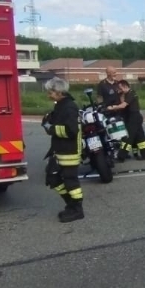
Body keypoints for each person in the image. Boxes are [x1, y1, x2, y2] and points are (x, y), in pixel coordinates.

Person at [42, 77, 85, 222]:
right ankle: (71, 204)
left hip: (69, 152)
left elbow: (71, 131)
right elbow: (59, 119)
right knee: (52, 178)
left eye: (50, 92)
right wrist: (50, 118)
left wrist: (51, 129)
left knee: (71, 182)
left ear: (59, 92)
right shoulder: (61, 105)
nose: (48, 95)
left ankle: (77, 210)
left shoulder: (69, 107)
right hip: (60, 150)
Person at [107, 79, 145, 159]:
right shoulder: (125, 94)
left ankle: (121, 156)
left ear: (125, 86)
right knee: (140, 137)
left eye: (120, 88)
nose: (119, 90)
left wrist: (112, 107)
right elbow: (121, 103)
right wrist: (120, 95)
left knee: (128, 137)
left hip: (134, 117)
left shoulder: (131, 93)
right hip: (133, 117)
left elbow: (123, 105)